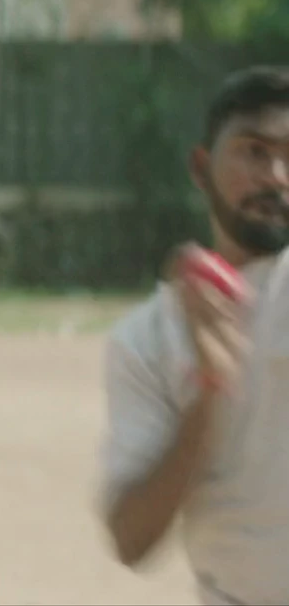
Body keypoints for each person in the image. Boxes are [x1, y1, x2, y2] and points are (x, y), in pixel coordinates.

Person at [100, 66, 289, 605]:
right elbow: (131, 540)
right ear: (202, 168)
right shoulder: (146, 340)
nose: (277, 176)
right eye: (255, 151)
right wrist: (207, 392)